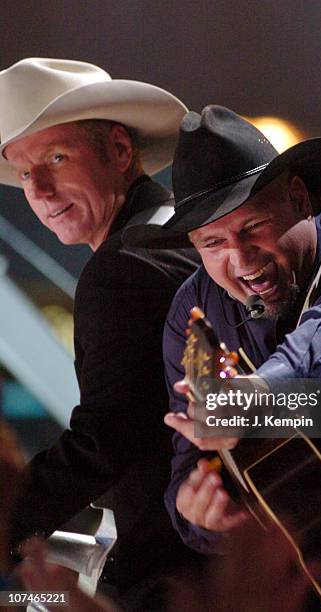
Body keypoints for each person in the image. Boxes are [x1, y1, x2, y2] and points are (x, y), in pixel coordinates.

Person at [123, 106, 321, 555]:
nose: (240, 257)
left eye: (253, 226)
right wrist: (198, 512)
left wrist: (257, 403)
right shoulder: (194, 312)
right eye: (212, 243)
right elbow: (193, 463)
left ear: (298, 198)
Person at [0, 57, 201, 609]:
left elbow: (104, 443)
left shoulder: (124, 267)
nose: (38, 189)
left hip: (181, 573)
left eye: (56, 158)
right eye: (22, 172)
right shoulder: (178, 231)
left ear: (119, 149)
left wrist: (4, 523)